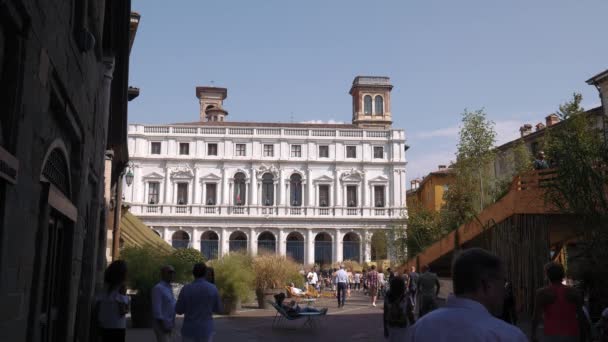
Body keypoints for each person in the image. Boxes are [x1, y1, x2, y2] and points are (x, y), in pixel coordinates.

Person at [406, 248, 527, 341]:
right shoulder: (508, 336)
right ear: (486, 285)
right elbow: (436, 285)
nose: (505, 292)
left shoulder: (420, 327)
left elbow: (417, 288)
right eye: (503, 282)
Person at [531, 262, 583, 342]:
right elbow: (581, 315)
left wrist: (533, 334)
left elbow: (536, 316)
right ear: (562, 275)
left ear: (547, 275)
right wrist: (585, 334)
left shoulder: (542, 293)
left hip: (551, 334)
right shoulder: (574, 292)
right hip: (572, 333)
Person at [175, 263, 222, 342]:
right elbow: (219, 309)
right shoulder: (212, 288)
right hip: (205, 330)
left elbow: (179, 310)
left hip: (189, 330)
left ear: (193, 273)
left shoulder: (186, 289)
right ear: (205, 273)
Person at [96, 260, 130, 342]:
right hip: (117, 326)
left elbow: (98, 305)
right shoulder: (121, 288)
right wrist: (128, 307)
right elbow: (122, 311)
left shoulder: (104, 286)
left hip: (104, 324)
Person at [384, 276, 415, 341]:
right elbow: (410, 313)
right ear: (402, 286)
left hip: (391, 324)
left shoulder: (388, 296)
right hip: (402, 325)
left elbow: (385, 313)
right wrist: (414, 325)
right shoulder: (406, 296)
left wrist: (385, 328)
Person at [151, 265, 177, 342]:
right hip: (162, 326)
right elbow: (157, 310)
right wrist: (163, 326)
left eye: (173, 272)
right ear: (163, 274)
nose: (172, 274)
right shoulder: (158, 288)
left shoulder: (169, 288)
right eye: (170, 272)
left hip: (169, 325)